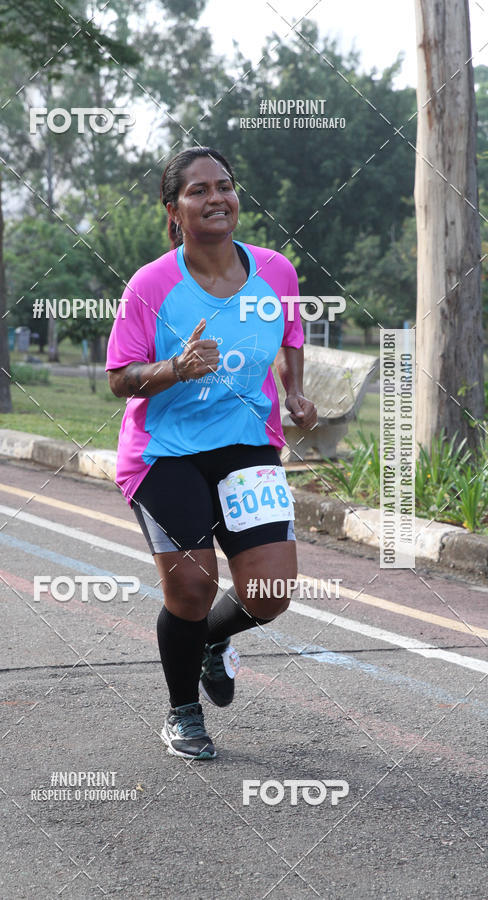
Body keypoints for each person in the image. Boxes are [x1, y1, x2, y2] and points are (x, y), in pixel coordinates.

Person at [106, 147, 317, 760]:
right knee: (193, 587)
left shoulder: (276, 271)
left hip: (248, 444)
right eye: (198, 191)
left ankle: (209, 643)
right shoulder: (152, 284)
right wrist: (174, 368)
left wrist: (296, 392)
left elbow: (292, 336)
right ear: (173, 209)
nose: (216, 198)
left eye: (224, 185)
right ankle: (183, 713)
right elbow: (120, 377)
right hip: (164, 452)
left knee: (271, 591)